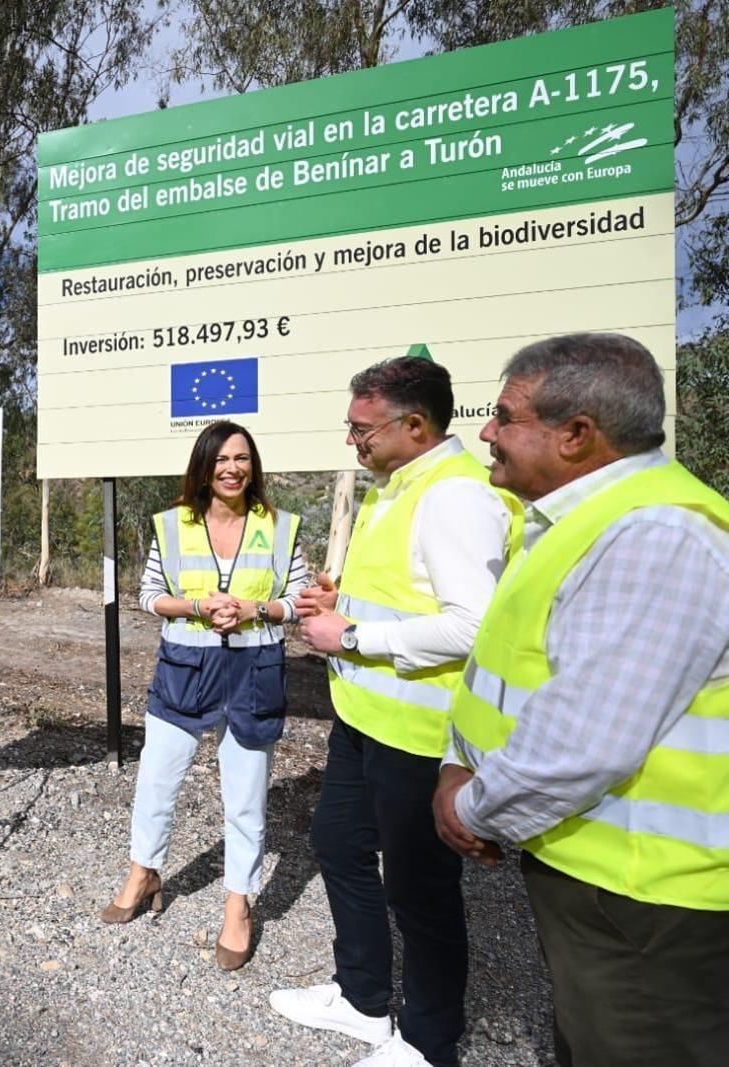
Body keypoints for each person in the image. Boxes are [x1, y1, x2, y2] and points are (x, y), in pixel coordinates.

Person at [436, 334, 729, 1066]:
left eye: (505, 415)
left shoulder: (656, 535)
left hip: (647, 906)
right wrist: (455, 761)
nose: (486, 432)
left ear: (576, 435)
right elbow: (509, 674)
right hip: (600, 883)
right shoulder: (575, 522)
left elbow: (583, 744)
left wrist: (468, 808)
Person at [271, 356, 523, 1067]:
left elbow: (474, 626)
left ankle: (427, 1042)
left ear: (415, 425)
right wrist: (339, 605)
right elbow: (407, 595)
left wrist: (350, 635)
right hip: (364, 718)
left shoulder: (455, 497)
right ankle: (362, 1001)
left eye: (361, 428)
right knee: (339, 844)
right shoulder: (399, 486)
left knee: (421, 892)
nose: (353, 440)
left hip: (419, 733)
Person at [102, 421, 308, 971]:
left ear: (253, 465)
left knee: (245, 798)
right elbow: (149, 596)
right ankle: (144, 871)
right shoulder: (170, 527)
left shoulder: (282, 527)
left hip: (254, 672)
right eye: (221, 460)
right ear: (203, 467)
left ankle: (238, 907)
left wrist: (255, 610)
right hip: (185, 669)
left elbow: (296, 602)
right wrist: (197, 607)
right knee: (156, 778)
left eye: (242, 458)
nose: (233, 469)